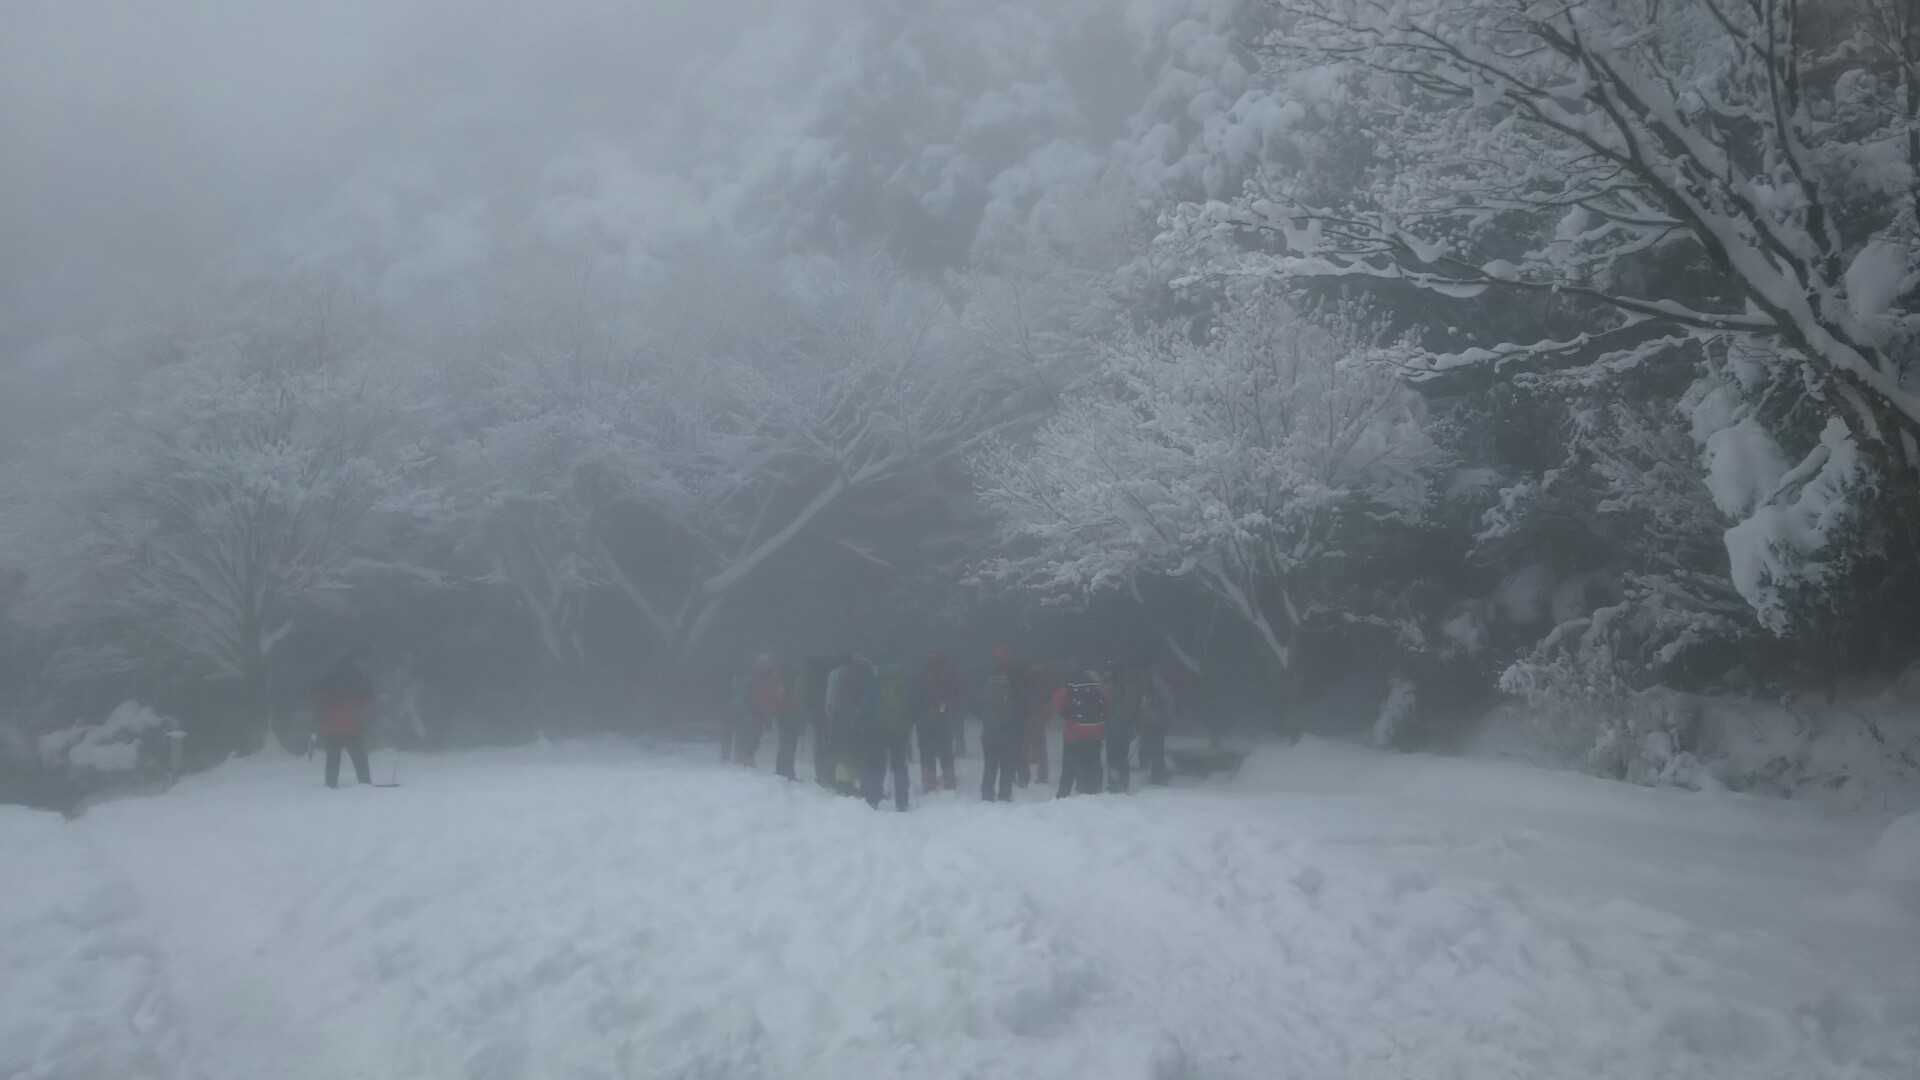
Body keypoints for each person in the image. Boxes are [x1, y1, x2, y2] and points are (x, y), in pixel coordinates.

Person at [312, 653, 373, 788]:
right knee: (359, 757)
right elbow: (367, 697)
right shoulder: (358, 678)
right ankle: (365, 783)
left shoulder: (328, 679)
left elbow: (319, 701)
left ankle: (331, 784)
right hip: (352, 725)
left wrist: (321, 720)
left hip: (332, 727)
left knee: (333, 758)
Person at [825, 652, 876, 796]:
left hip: (841, 718)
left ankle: (844, 784)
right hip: (862, 720)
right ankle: (864, 784)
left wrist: (831, 715)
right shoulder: (868, 675)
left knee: (844, 753)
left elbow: (831, 699)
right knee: (859, 752)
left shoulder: (838, 674)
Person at [1054, 665, 1110, 797]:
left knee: (1069, 766)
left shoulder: (1071, 683)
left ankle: (1063, 795)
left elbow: (1058, 701)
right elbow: (1107, 703)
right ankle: (1094, 791)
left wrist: (1066, 714)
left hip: (1074, 732)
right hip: (1095, 732)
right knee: (1094, 762)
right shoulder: (1098, 683)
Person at [864, 663, 913, 811]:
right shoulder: (902, 684)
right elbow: (910, 706)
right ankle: (902, 801)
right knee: (899, 765)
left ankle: (873, 798)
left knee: (877, 764)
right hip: (899, 730)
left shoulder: (875, 683)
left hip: (879, 730)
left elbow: (868, 706)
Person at [979, 644, 1024, 801]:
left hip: (989, 731)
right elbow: (1020, 704)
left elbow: (976, 705)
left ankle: (986, 795)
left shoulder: (985, 676)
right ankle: (1005, 794)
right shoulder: (1015, 676)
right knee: (1006, 765)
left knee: (990, 765)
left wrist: (985, 719)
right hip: (1007, 730)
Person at [915, 652, 960, 792]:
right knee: (945, 751)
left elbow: (917, 698)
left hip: (925, 721)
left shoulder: (922, 677)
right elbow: (954, 695)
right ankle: (949, 781)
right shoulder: (947, 676)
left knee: (927, 753)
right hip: (943, 720)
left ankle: (929, 783)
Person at [1105, 658, 1150, 793]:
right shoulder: (1132, 687)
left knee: (1114, 757)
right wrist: (1138, 726)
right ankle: (1122, 783)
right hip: (1124, 728)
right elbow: (1138, 710)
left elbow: (1107, 707)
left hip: (1115, 728)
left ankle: (1115, 784)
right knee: (1121, 757)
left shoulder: (1112, 687)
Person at [734, 653, 783, 769]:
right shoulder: (752, 677)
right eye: (762, 662)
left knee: (756, 736)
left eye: (766, 662)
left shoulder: (773, 678)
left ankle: (748, 755)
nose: (764, 665)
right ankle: (745, 756)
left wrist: (773, 708)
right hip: (752, 710)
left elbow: (775, 694)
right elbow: (747, 693)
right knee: (750, 734)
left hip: (764, 711)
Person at [802, 654, 842, 788]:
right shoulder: (831, 676)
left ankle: (821, 774)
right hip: (828, 715)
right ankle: (828, 774)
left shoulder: (810, 678)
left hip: (817, 715)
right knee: (828, 745)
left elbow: (807, 697)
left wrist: (808, 712)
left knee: (819, 745)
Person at [1142, 662, 1174, 785]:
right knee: (1156, 749)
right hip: (1154, 721)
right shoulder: (1156, 684)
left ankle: (1158, 774)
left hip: (1155, 722)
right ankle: (1157, 773)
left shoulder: (1157, 685)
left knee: (1157, 749)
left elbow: (1166, 704)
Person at [775, 661, 807, 780]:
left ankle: (782, 769)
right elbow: (799, 702)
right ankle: (787, 770)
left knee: (785, 743)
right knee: (790, 744)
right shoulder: (796, 684)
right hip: (791, 717)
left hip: (784, 717)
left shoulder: (782, 683)